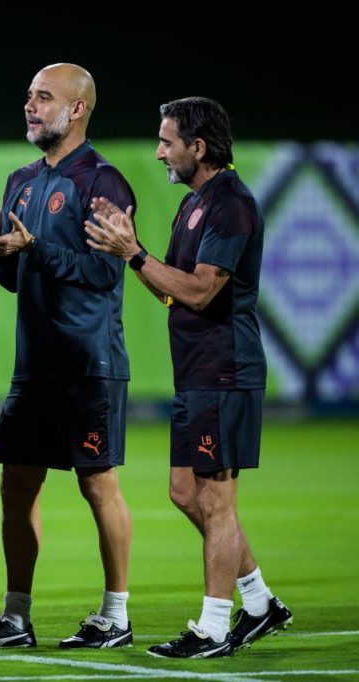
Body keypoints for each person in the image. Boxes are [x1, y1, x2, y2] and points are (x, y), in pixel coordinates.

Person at [84, 96, 292, 658]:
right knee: (184, 492)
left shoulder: (230, 204)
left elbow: (202, 290)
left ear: (197, 147)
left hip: (226, 371)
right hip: (197, 372)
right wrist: (133, 254)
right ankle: (260, 602)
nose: (158, 151)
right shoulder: (194, 204)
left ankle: (214, 628)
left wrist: (135, 253)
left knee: (217, 501)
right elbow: (173, 289)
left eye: (166, 141)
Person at [0, 63, 135, 649]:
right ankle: (16, 617)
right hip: (34, 367)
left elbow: (104, 272)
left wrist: (37, 248)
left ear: (76, 110)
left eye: (44, 97)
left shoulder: (103, 182)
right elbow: (16, 277)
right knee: (16, 486)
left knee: (96, 485)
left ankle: (115, 616)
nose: (30, 106)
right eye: (28, 96)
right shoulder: (22, 180)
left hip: (87, 363)